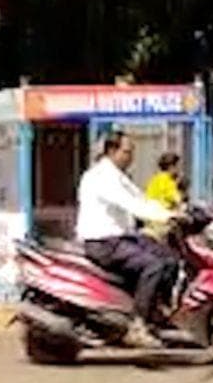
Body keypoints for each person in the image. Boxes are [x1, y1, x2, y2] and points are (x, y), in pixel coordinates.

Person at [76, 132, 178, 347]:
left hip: (122, 238)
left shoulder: (119, 176)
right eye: (127, 152)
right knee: (154, 265)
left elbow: (142, 199)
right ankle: (137, 325)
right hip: (104, 243)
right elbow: (132, 205)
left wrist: (179, 212)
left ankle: (157, 313)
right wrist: (167, 216)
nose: (131, 157)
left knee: (170, 258)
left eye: (132, 152)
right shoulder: (101, 177)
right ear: (112, 151)